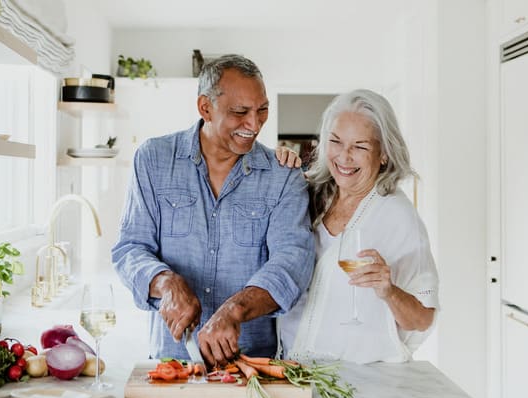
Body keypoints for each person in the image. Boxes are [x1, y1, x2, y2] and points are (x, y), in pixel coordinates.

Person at [112, 55, 315, 366]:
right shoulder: (153, 160)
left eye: (262, 111)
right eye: (240, 112)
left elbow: (292, 262)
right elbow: (130, 249)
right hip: (171, 362)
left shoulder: (283, 175)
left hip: (252, 365)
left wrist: (235, 309)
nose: (254, 124)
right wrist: (165, 282)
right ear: (205, 107)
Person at [278, 89, 439, 364]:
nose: (344, 156)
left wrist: (390, 291)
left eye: (360, 146)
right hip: (291, 368)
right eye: (336, 141)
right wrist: (277, 166)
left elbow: (422, 318)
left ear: (384, 154)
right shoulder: (309, 194)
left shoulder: (398, 217)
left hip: (358, 380)